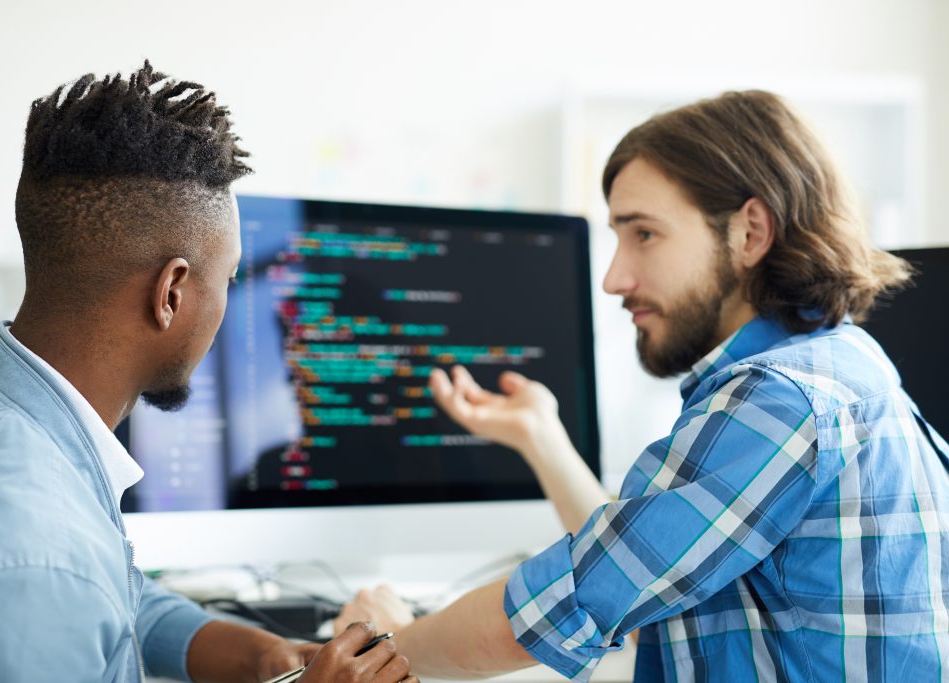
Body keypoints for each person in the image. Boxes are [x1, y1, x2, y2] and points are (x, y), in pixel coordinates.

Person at [337, 90, 949, 681]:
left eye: (644, 234)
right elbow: (646, 572)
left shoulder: (779, 400)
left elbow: (563, 604)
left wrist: (376, 649)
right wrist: (541, 436)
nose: (613, 277)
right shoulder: (839, 363)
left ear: (750, 232)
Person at [0, 61, 417, 683]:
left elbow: (114, 597)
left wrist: (265, 656)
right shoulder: (32, 556)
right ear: (172, 293)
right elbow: (63, 580)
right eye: (229, 280)